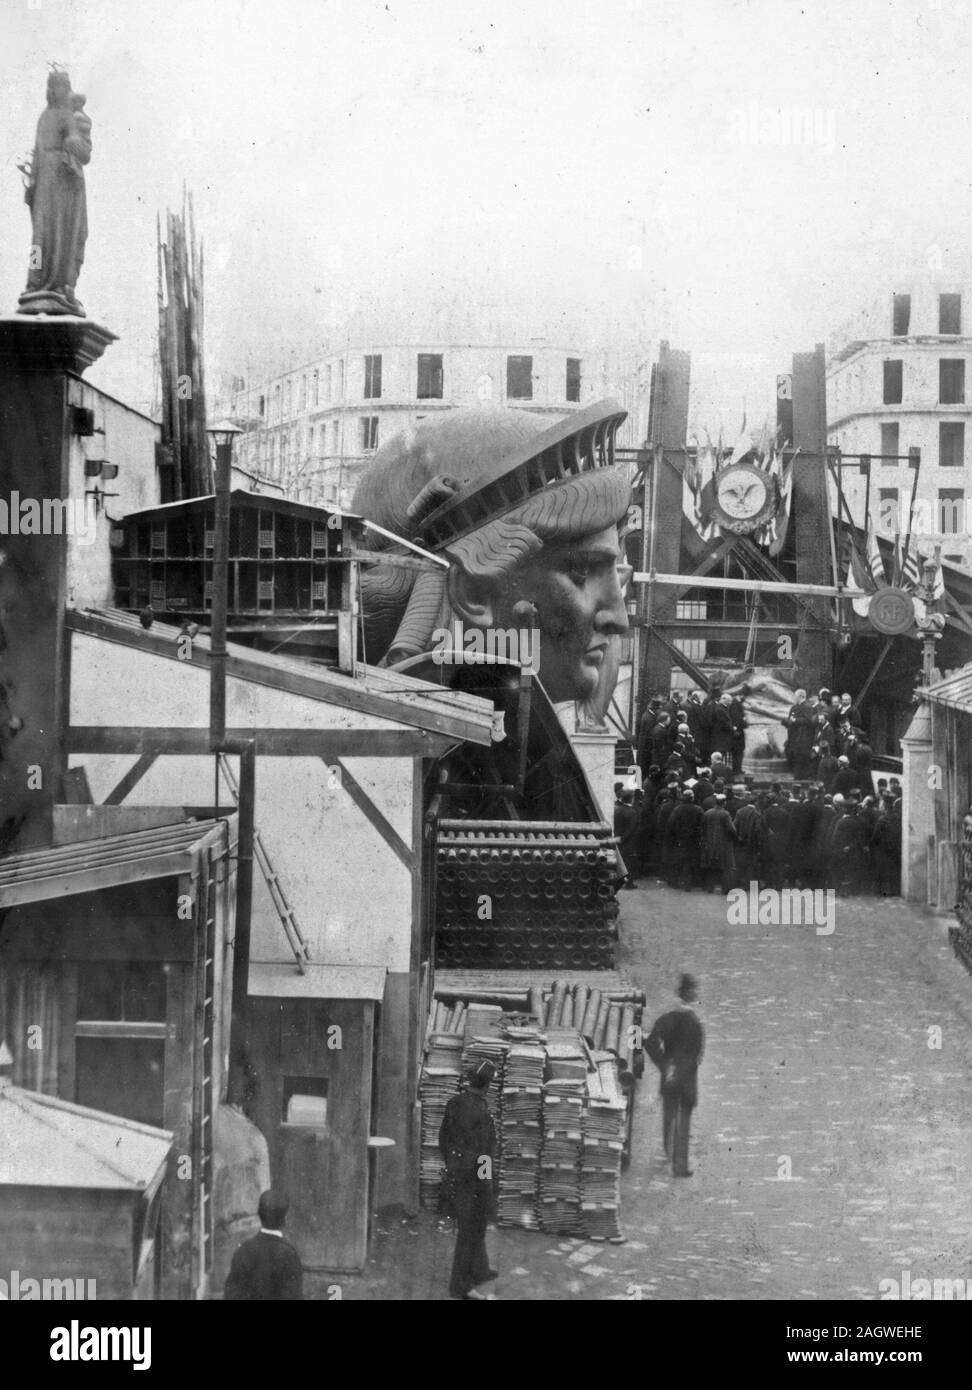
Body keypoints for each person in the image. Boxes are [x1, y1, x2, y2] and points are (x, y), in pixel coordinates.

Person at [439, 1060, 499, 1300]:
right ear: (487, 1085)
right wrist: (486, 1186)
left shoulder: (454, 1103)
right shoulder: (482, 1113)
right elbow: (484, 1154)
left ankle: (480, 1270)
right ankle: (460, 1286)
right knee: (471, 1229)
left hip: (457, 1172)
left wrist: (453, 1165)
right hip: (474, 1178)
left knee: (474, 1226)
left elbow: (443, 1139)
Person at [645, 974, 705, 1178]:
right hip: (687, 1077)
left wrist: (663, 1064)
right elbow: (698, 1053)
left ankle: (667, 1152)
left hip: (670, 1074)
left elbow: (649, 1042)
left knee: (668, 1115)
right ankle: (680, 1165)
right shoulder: (695, 1023)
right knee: (684, 1119)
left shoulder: (667, 1019)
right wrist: (690, 1065)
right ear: (691, 996)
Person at [224, 1190, 303, 1300]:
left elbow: (231, 1294)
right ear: (286, 1219)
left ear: (259, 1215)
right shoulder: (290, 1255)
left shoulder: (243, 1250)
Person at [664, 788, 705, 891]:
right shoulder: (698, 809)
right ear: (692, 798)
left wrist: (671, 838)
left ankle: (676, 882)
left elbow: (670, 825)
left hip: (680, 839)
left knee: (680, 860)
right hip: (694, 839)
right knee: (693, 860)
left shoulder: (677, 809)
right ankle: (692, 882)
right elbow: (703, 825)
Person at [702, 793, 737, 894]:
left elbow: (703, 828)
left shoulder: (707, 813)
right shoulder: (725, 814)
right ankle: (725, 889)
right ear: (724, 803)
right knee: (725, 867)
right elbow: (731, 829)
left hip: (709, 843)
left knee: (710, 866)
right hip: (723, 844)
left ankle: (710, 887)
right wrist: (734, 838)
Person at [614, 789, 640, 888]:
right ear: (631, 799)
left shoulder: (617, 810)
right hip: (629, 841)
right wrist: (623, 837)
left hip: (618, 840)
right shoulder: (632, 812)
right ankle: (629, 883)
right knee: (629, 863)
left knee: (620, 861)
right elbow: (631, 828)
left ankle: (619, 881)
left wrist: (618, 837)